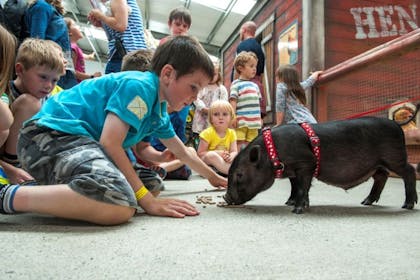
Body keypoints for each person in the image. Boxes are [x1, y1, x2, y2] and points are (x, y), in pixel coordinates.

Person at [0, 36, 227, 225]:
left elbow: (184, 152)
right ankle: (8, 196)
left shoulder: (157, 109)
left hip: (73, 144)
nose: (194, 98)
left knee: (151, 183)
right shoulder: (141, 88)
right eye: (193, 87)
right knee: (120, 203)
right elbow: (110, 143)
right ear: (168, 74)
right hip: (47, 136)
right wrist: (145, 200)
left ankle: (52, 190)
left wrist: (215, 178)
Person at [1, 38, 63, 185]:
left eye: (55, 80)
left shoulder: (48, 98)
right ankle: (14, 163)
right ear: (20, 70)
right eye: (43, 77)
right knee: (30, 103)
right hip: (8, 158)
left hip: (25, 154)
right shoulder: (5, 93)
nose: (49, 85)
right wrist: (9, 168)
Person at [0, 24, 34, 185]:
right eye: (43, 77)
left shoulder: (3, 96)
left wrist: (9, 168)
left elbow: (5, 120)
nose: (48, 85)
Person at [25, 0, 78, 89]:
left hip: (61, 69)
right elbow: (37, 42)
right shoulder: (42, 6)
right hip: (52, 67)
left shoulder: (51, 9)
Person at [88, 0, 147, 74]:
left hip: (129, 54)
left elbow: (120, 25)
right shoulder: (109, 4)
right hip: (121, 53)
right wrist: (102, 24)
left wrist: (101, 16)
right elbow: (115, 35)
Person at [233, 21, 266, 118]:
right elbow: (261, 73)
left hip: (245, 86)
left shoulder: (242, 46)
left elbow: (238, 66)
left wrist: (235, 84)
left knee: (242, 116)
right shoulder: (259, 47)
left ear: (243, 30)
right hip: (258, 85)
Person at [229, 51, 262, 150]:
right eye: (251, 66)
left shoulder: (255, 86)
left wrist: (260, 117)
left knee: (252, 144)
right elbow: (233, 101)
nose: (254, 69)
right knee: (238, 143)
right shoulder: (236, 84)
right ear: (240, 68)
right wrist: (233, 116)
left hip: (254, 122)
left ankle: (249, 163)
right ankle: (237, 161)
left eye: (255, 66)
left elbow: (257, 104)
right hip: (241, 121)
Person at [197, 100, 237, 176]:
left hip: (225, 161)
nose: (221, 117)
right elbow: (200, 154)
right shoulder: (207, 133)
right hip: (209, 163)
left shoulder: (232, 133)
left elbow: (234, 151)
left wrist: (231, 156)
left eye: (225, 114)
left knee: (239, 155)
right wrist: (218, 153)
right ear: (211, 118)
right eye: (216, 114)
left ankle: (224, 170)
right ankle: (231, 172)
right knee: (211, 155)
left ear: (231, 117)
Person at [192, 59, 228, 140]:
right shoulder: (202, 87)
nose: (211, 77)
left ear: (218, 75)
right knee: (200, 137)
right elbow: (196, 98)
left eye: (214, 74)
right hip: (201, 117)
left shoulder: (221, 89)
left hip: (215, 118)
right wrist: (203, 108)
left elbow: (224, 102)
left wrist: (216, 110)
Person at [64, 17, 101, 83]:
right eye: (74, 25)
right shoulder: (72, 48)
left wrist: (89, 56)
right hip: (73, 84)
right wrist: (91, 77)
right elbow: (72, 71)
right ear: (69, 32)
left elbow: (81, 55)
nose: (79, 27)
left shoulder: (75, 48)